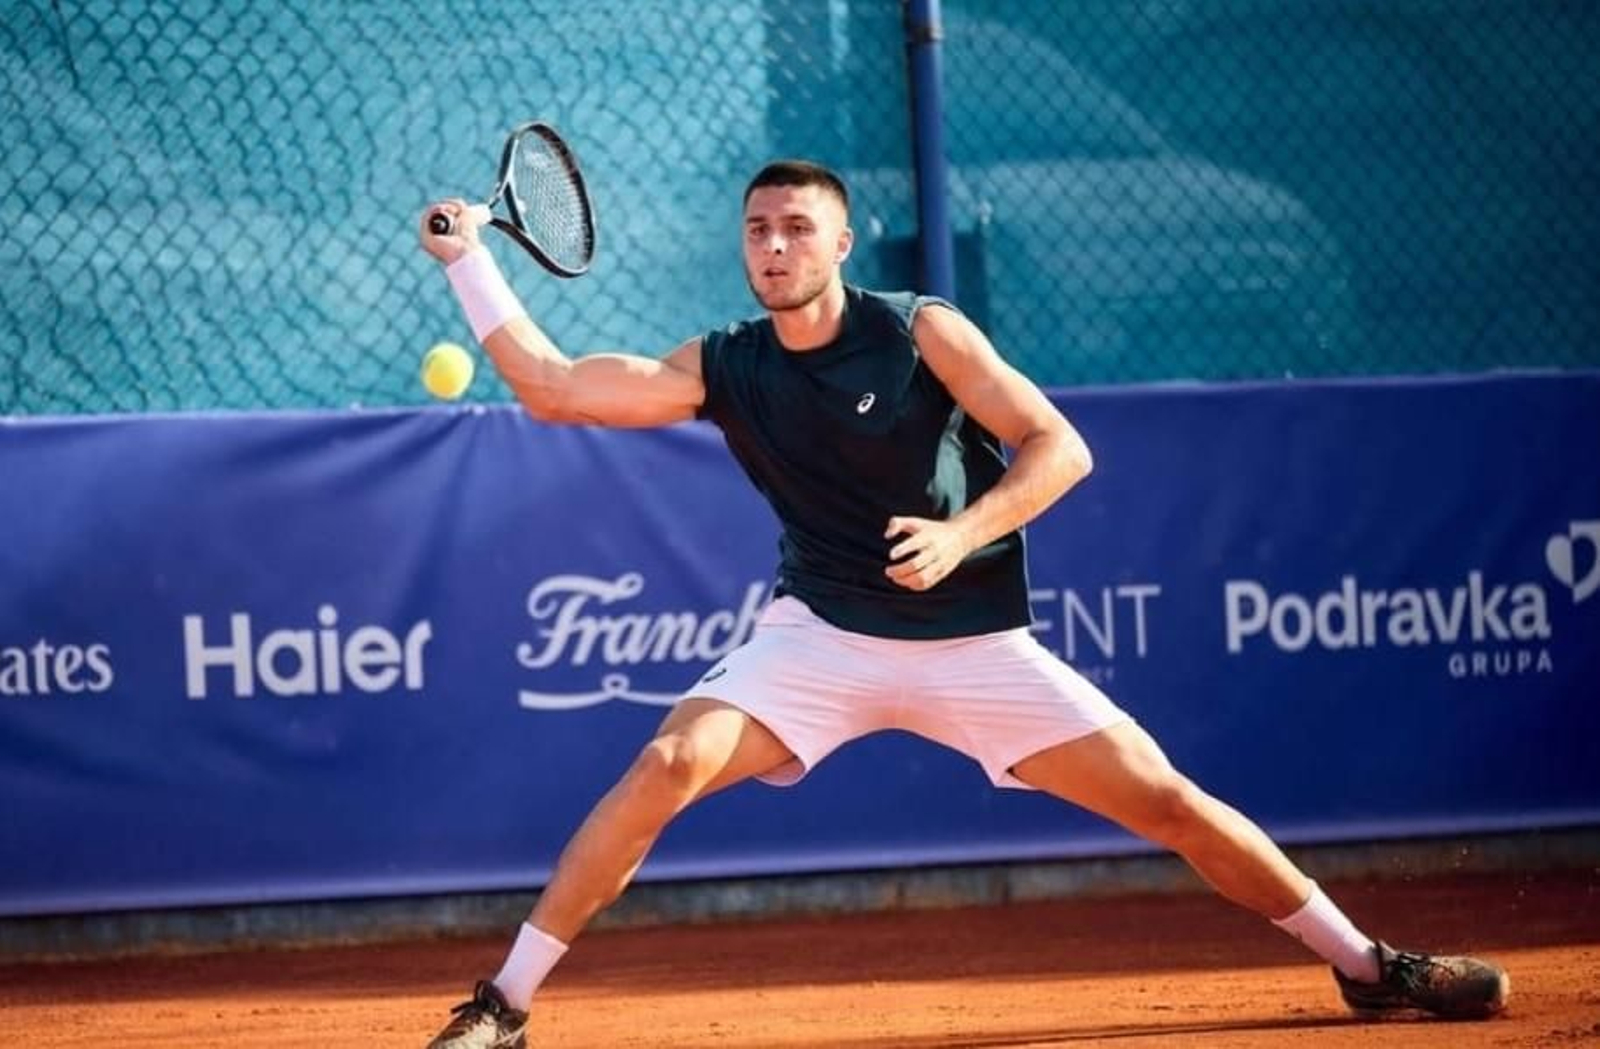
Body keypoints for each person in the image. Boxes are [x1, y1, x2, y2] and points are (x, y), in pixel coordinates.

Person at [416, 160, 1507, 1047]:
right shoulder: (726, 364)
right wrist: (469, 261)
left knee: (1166, 801)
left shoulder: (919, 331)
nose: (776, 245)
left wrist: (961, 532)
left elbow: (1059, 445)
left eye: (798, 226)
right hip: (820, 635)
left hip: (971, 638)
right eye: (759, 229)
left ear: (842, 244)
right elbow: (556, 388)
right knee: (664, 765)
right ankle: (504, 1003)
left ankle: (1370, 965)